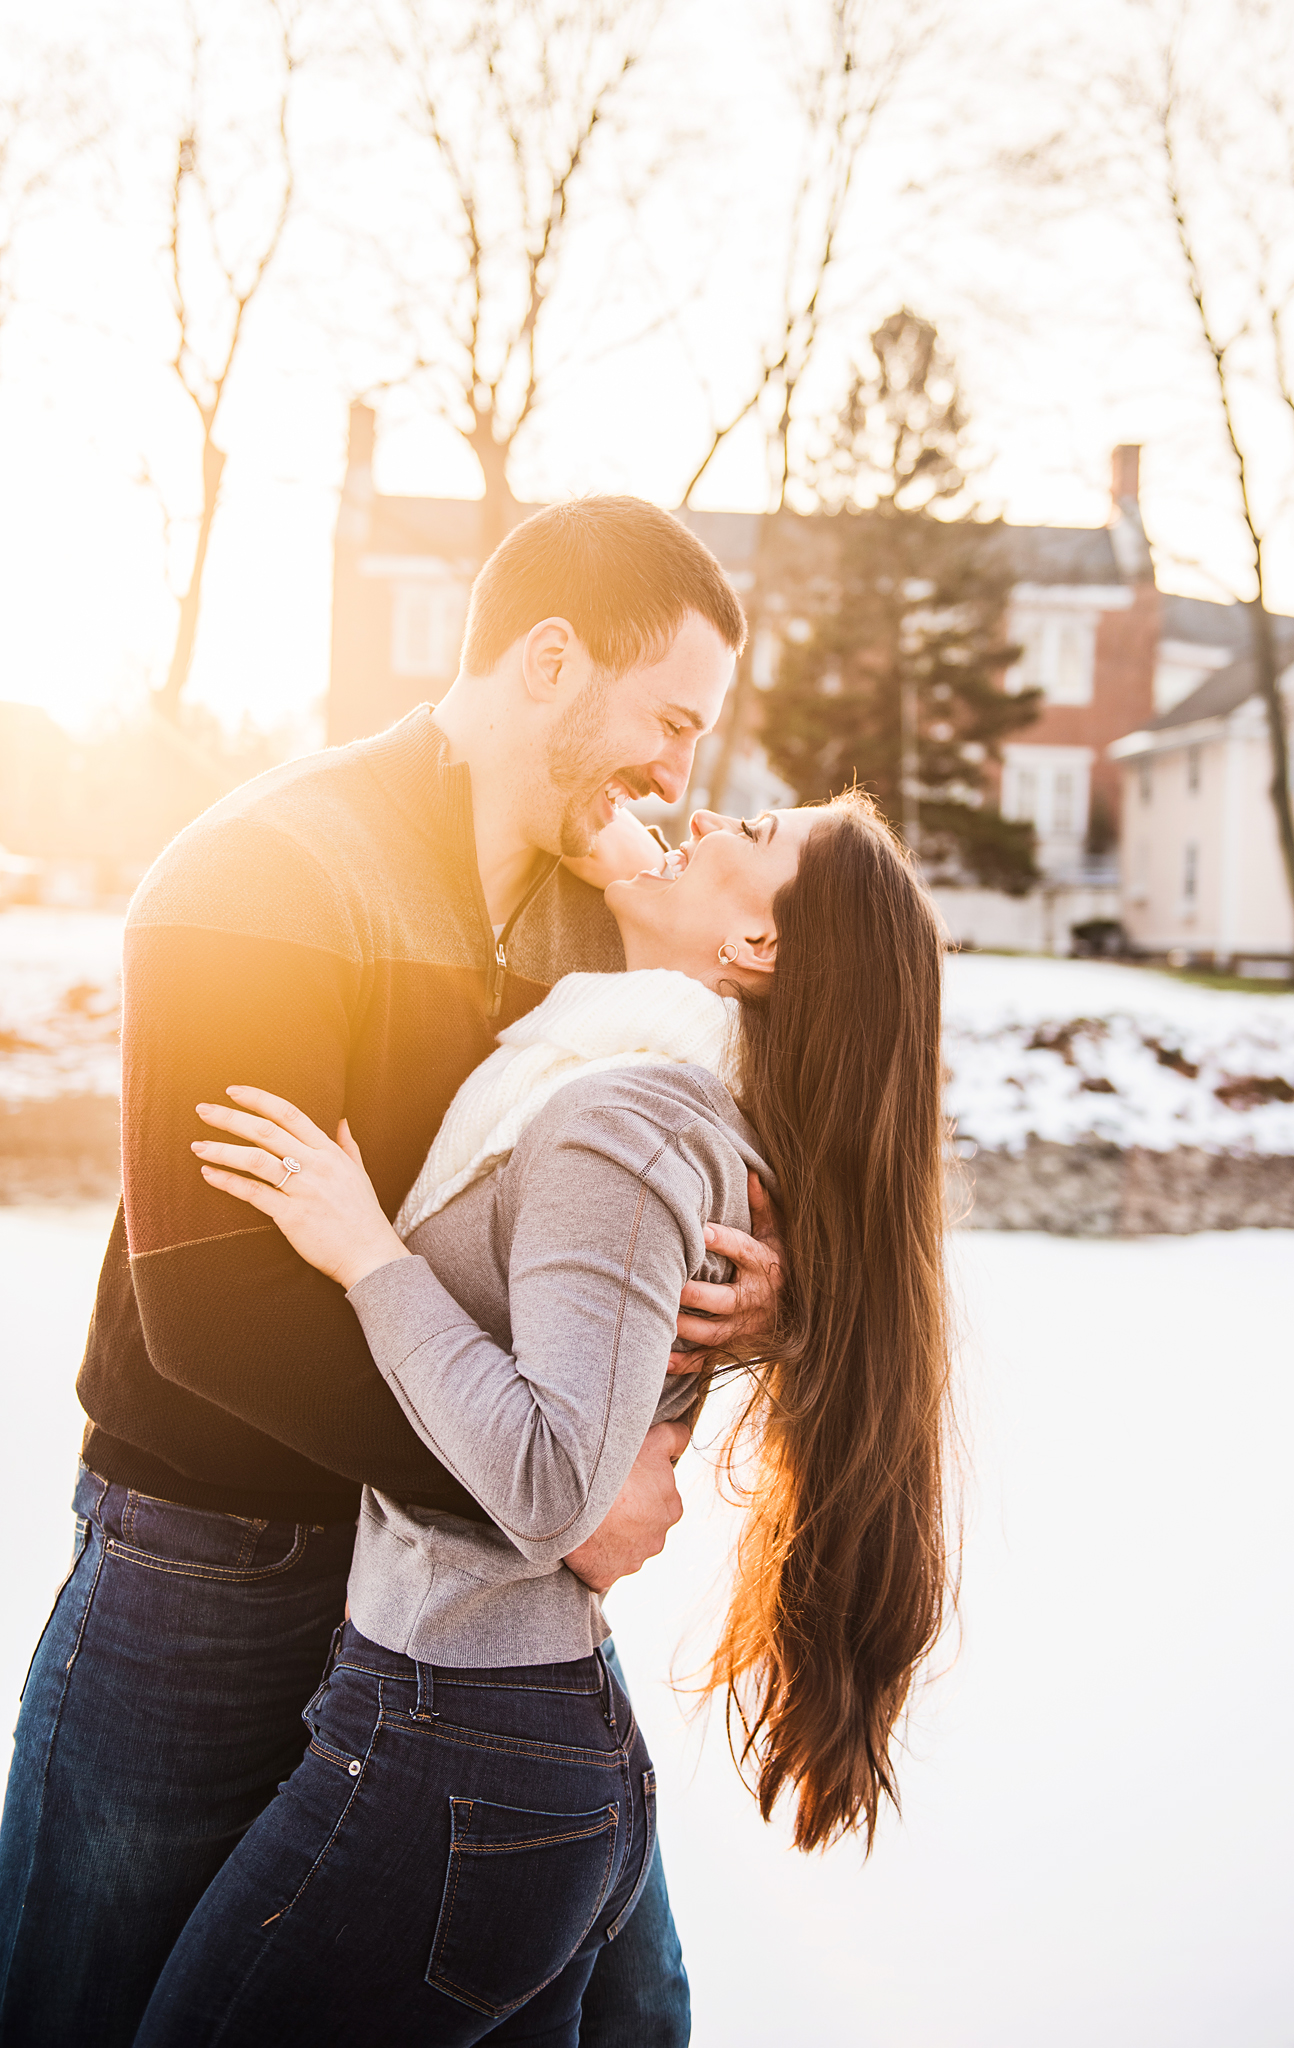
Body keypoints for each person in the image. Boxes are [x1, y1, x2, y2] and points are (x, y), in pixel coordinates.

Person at [0, 499, 784, 2048]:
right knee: (78, 2004)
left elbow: (711, 1148)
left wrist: (777, 1300)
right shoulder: (265, 873)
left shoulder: (601, 914)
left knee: (622, 2006)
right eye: (667, 722)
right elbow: (218, 1314)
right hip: (217, 1566)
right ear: (549, 662)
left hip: (458, 1604)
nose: (678, 782)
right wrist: (537, 1491)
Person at [130, 791, 956, 2045]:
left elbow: (552, 1483)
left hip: (456, 1746)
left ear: (759, 950)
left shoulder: (616, 1120)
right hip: (491, 1735)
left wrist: (365, 1253)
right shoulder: (633, 1085)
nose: (703, 811)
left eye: (755, 831)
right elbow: (608, 829)